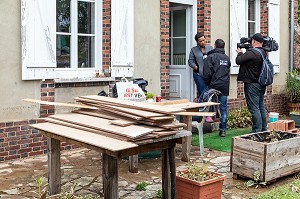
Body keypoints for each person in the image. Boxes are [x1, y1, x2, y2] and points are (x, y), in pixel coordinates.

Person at [235, 33, 267, 133]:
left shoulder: (252, 53)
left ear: (253, 41)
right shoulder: (263, 52)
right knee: (260, 106)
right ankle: (263, 129)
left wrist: (239, 52)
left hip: (252, 84)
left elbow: (238, 60)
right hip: (261, 83)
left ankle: (256, 130)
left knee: (254, 108)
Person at [203, 39, 231, 137]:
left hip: (213, 85)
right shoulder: (227, 58)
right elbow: (227, 72)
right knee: (223, 109)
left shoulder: (210, 57)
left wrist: (209, 83)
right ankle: (223, 130)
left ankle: (202, 125)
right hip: (224, 86)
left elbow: (206, 73)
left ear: (215, 46)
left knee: (207, 105)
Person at [188, 33, 213, 122]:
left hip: (209, 75)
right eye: (200, 41)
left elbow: (214, 58)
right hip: (199, 75)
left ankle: (204, 110)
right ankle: (206, 115)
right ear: (197, 42)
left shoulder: (210, 48)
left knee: (208, 94)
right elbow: (190, 61)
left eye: (204, 40)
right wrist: (195, 67)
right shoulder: (194, 50)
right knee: (204, 92)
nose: (203, 42)